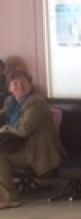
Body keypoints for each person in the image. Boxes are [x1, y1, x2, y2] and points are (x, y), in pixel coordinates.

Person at [0, 68, 65, 210]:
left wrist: (4, 129)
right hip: (19, 147)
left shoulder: (36, 103)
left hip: (38, 153)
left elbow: (24, 130)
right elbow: (3, 116)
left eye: (23, 82)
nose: (20, 86)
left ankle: (8, 198)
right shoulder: (11, 101)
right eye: (15, 84)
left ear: (30, 84)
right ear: (9, 88)